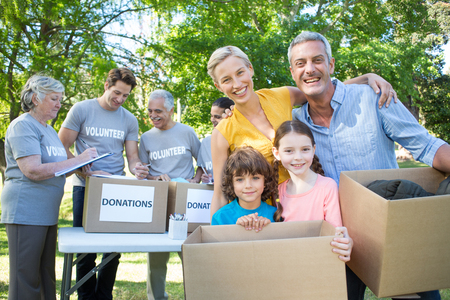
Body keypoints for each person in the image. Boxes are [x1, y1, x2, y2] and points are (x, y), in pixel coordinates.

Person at [289, 31, 450, 300]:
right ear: (293, 71)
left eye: (318, 60)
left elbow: (426, 145)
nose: (310, 69)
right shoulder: (294, 123)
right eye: (301, 63)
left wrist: (368, 79)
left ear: (331, 65)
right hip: (336, 240)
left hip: (391, 231)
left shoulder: (373, 98)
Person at [207, 45, 397, 218]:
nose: (237, 84)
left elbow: (323, 92)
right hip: (263, 218)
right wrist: (213, 240)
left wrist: (365, 78)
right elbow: (220, 194)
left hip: (307, 205)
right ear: (218, 86)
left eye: (240, 72)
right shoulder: (222, 133)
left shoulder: (280, 96)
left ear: (250, 69)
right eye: (226, 80)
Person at [1, 75, 98, 300]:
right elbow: (33, 170)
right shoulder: (22, 126)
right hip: (26, 211)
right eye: (54, 98)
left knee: (46, 275)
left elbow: (63, 165)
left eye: (60, 99)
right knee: (25, 277)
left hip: (47, 212)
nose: (59, 104)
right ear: (35, 98)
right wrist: (77, 160)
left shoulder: (50, 130)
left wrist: (84, 166)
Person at [58, 68, 149, 300]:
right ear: (106, 85)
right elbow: (61, 146)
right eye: (117, 92)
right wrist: (81, 169)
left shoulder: (129, 119)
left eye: (126, 96)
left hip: (116, 190)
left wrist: (137, 167)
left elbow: (132, 157)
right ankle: (86, 297)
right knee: (85, 251)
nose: (120, 99)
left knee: (113, 250)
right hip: (85, 188)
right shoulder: (82, 109)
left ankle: (103, 297)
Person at [138, 89, 201, 300]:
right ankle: (156, 298)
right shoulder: (146, 138)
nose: (153, 115)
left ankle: (198, 294)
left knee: (190, 255)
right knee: (155, 258)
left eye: (158, 111)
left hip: (184, 201)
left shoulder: (187, 132)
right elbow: (141, 172)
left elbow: (202, 160)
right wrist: (153, 179)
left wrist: (196, 178)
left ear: (171, 110)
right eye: (150, 111)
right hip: (159, 201)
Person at [271, 120, 352, 262]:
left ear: (313, 150)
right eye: (289, 151)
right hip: (289, 262)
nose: (298, 157)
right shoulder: (278, 191)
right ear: (277, 153)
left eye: (305, 149)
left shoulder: (327, 187)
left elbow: (335, 234)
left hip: (320, 261)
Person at [211, 146, 278, 231]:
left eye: (255, 178)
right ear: (231, 183)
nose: (248, 185)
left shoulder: (276, 215)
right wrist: (237, 230)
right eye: (240, 179)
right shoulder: (220, 218)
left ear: (265, 180)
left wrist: (270, 229)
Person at [197, 97, 234, 183]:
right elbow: (203, 169)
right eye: (211, 116)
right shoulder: (206, 142)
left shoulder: (239, 141)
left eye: (217, 117)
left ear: (229, 116)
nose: (212, 120)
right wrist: (205, 178)